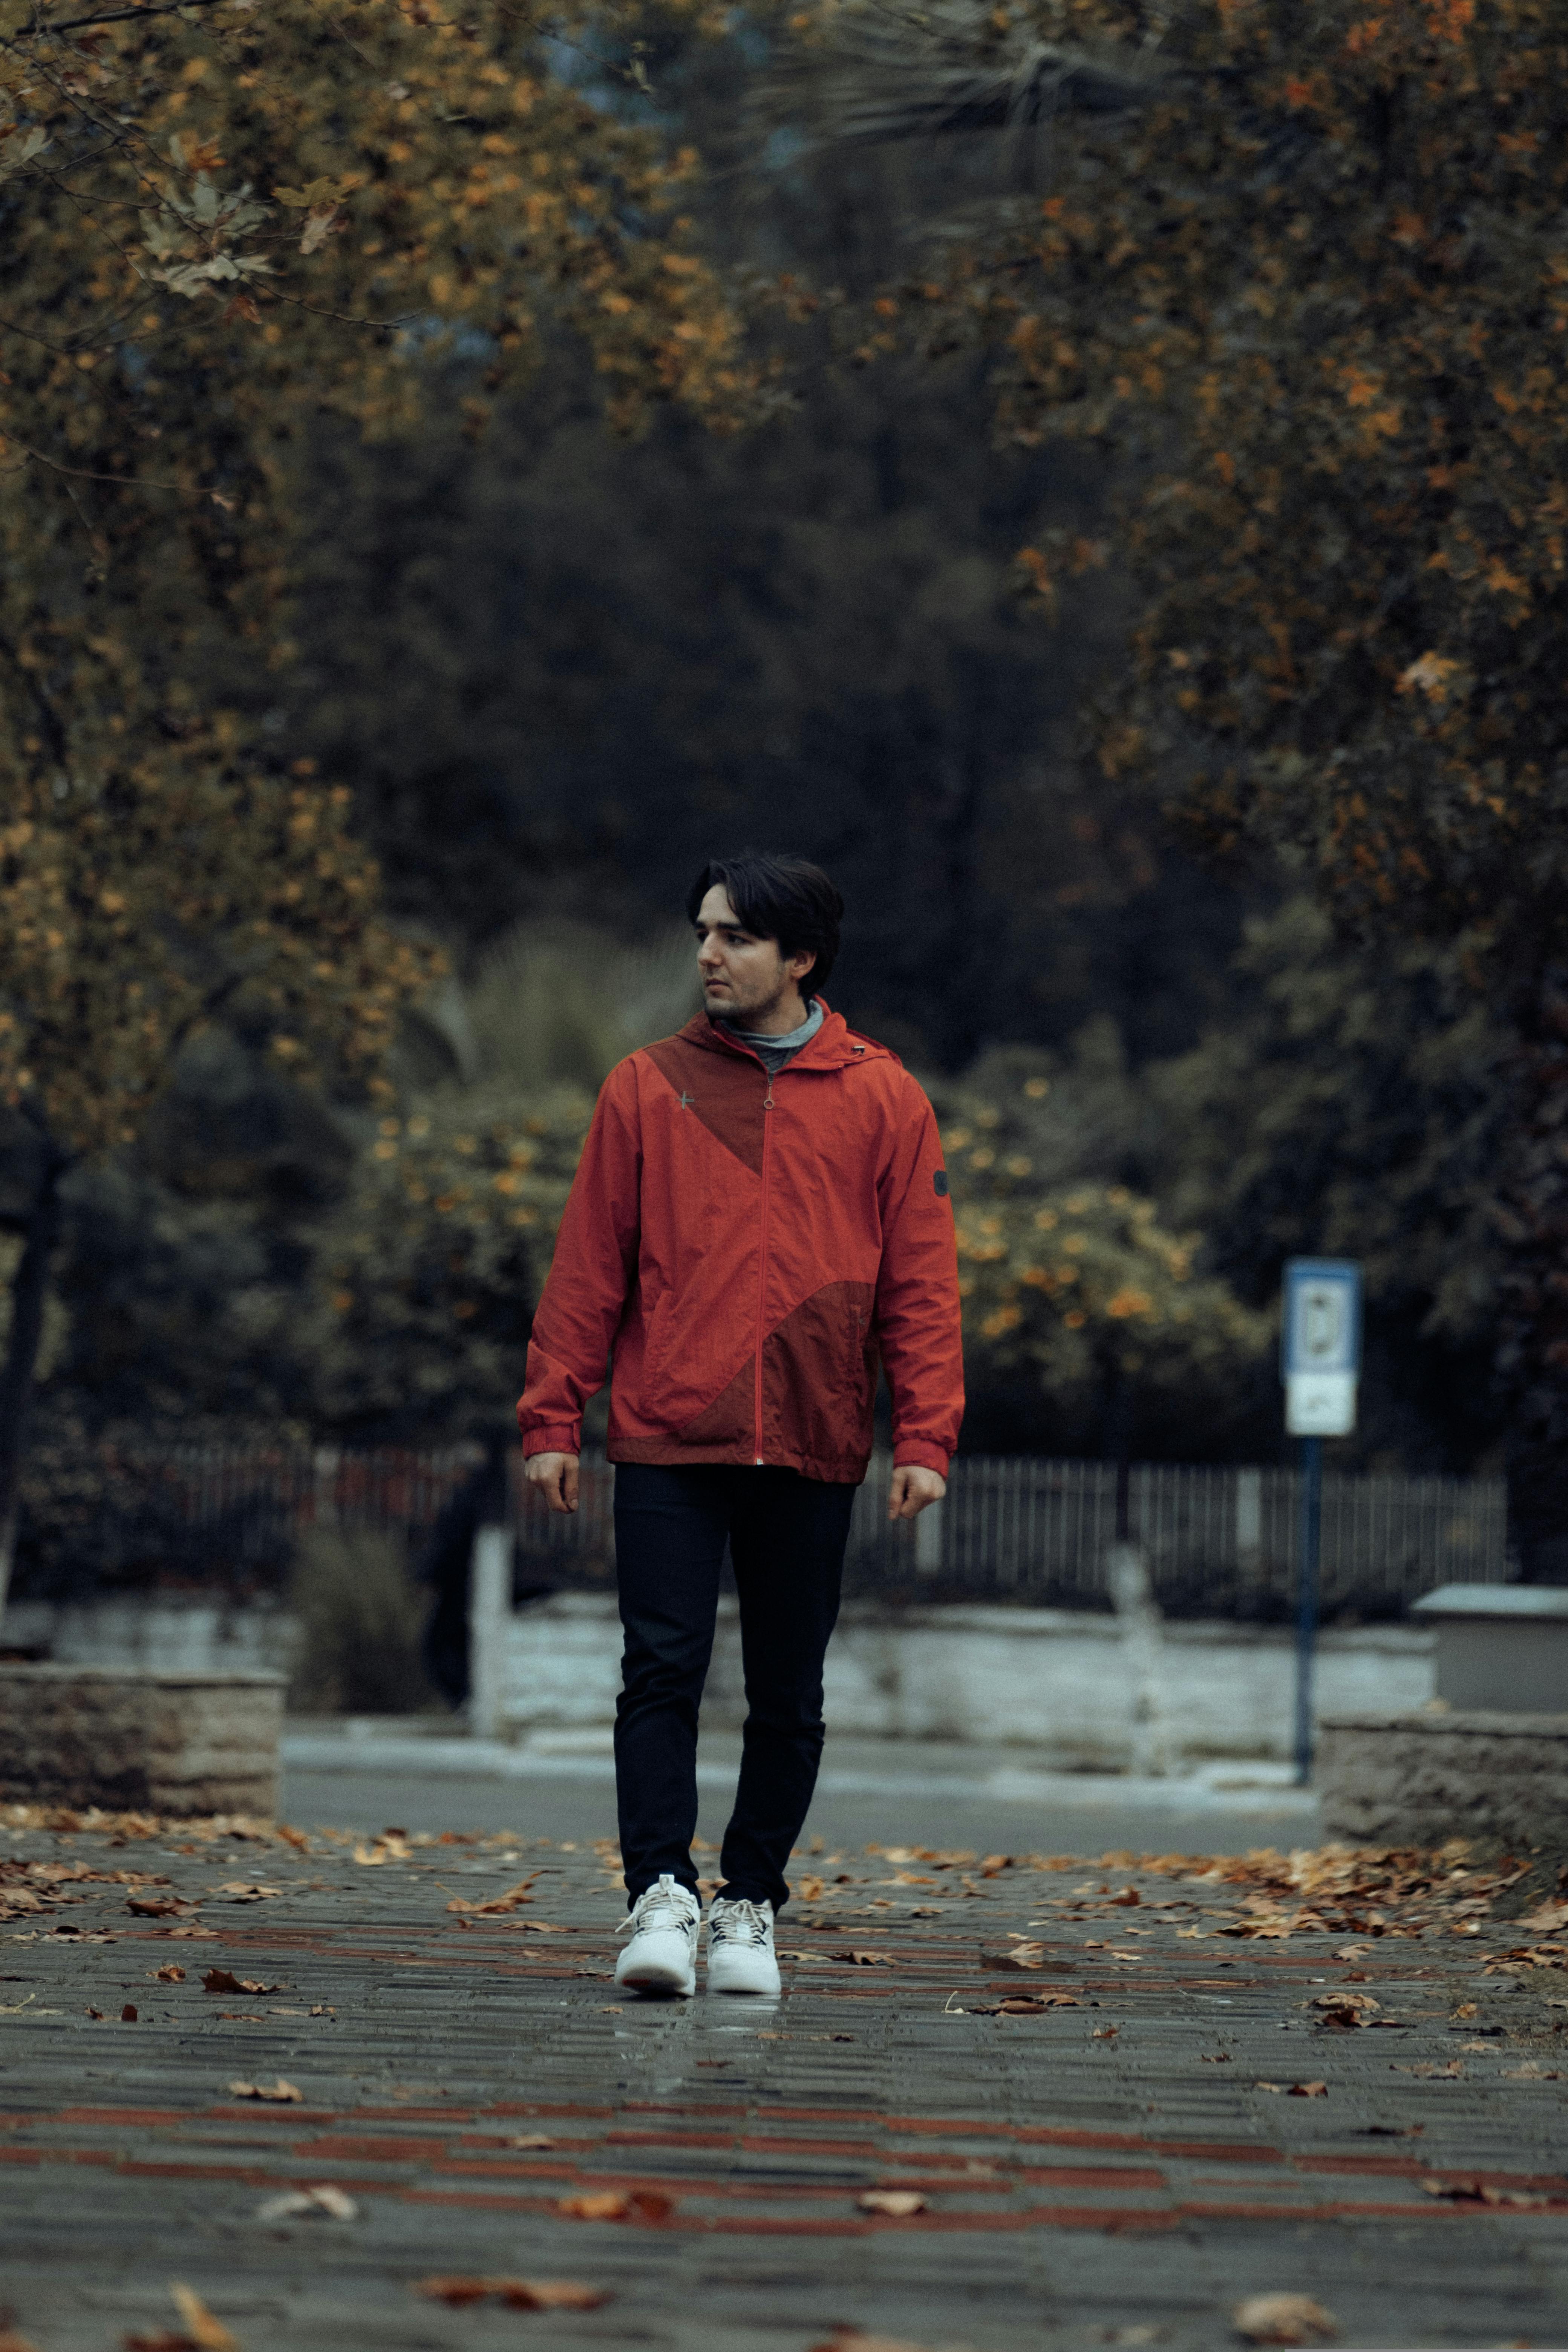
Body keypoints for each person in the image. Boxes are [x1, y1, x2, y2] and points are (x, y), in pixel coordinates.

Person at [518, 851, 963, 1997]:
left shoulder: (885, 1098)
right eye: (703, 933)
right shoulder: (644, 1086)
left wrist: (926, 1437)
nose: (708, 955)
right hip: (669, 1429)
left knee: (789, 1693)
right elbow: (588, 1264)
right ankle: (659, 1900)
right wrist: (553, 1415)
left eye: (736, 937)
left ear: (800, 957)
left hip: (813, 1433)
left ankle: (750, 1906)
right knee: (659, 1673)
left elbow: (920, 1283)